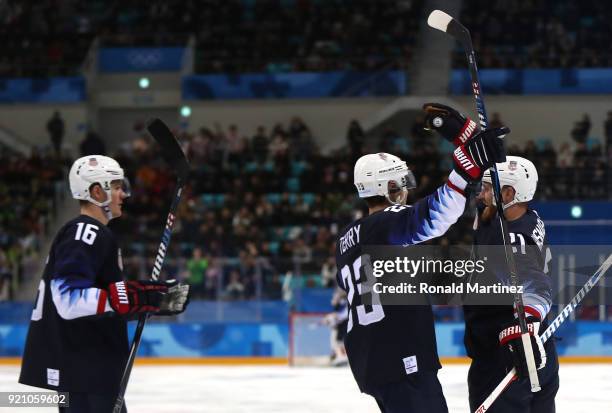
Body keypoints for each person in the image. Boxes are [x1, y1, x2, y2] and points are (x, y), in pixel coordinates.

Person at [335, 104, 508, 413]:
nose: (405, 189)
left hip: (371, 360)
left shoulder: (347, 239)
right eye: (401, 183)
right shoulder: (387, 222)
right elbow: (436, 217)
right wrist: (466, 167)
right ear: (388, 187)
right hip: (402, 355)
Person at [19, 155, 190, 413]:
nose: (123, 194)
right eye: (117, 186)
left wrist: (146, 302)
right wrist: (138, 296)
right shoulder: (86, 232)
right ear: (96, 191)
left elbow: (99, 305)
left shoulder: (89, 234)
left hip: (85, 370)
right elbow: (69, 300)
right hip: (87, 370)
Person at [424, 103, 558, 412]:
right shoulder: (512, 214)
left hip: (509, 353)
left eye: (486, 188)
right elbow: (489, 163)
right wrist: (465, 135)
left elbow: (536, 286)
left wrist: (526, 324)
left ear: (508, 194)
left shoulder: (510, 237)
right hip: (535, 350)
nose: (480, 193)